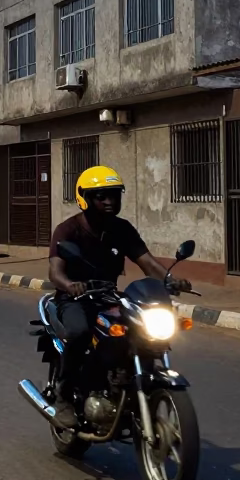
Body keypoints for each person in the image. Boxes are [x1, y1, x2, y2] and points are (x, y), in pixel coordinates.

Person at [48, 165, 192, 430]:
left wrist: (169, 280)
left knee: (138, 330)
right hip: (74, 299)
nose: (109, 201)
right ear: (85, 198)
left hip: (109, 295)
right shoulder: (68, 230)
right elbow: (55, 272)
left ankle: (126, 381)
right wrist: (70, 285)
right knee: (79, 332)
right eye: (101, 196)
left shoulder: (122, 228)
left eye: (114, 195)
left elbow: (146, 261)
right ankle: (64, 397)